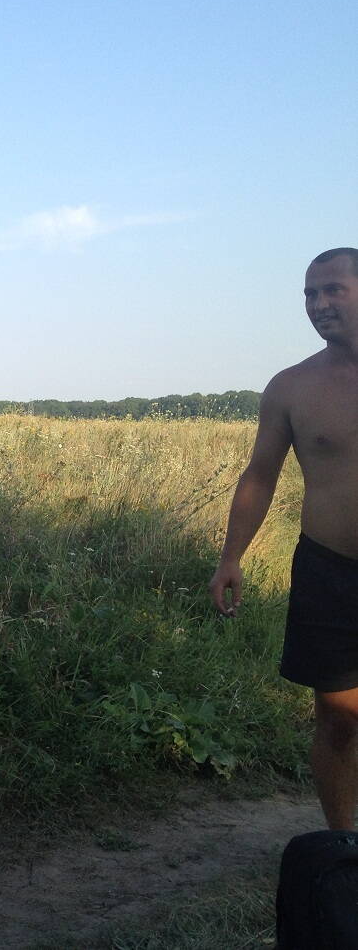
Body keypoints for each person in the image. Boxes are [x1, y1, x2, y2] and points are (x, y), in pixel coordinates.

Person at [209, 247, 358, 829]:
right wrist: (231, 557)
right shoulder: (292, 386)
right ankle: (342, 849)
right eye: (309, 294)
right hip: (329, 569)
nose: (318, 304)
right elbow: (259, 476)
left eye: (333, 290)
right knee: (339, 717)